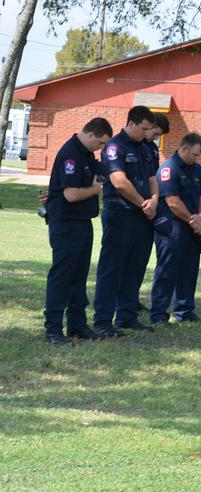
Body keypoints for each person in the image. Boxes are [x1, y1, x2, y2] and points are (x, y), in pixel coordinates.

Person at [42, 117, 113, 344]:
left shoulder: (85, 153)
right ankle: (53, 329)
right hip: (66, 223)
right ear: (91, 134)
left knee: (79, 275)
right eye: (100, 143)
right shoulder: (71, 154)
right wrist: (95, 189)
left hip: (81, 222)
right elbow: (71, 194)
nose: (100, 148)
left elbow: (100, 170)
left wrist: (103, 176)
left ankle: (77, 325)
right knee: (62, 276)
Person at [92, 105, 159, 337]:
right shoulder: (114, 147)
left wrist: (155, 200)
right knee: (112, 268)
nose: (146, 133)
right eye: (143, 128)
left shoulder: (146, 148)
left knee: (135, 267)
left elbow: (153, 178)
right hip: (121, 214)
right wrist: (144, 203)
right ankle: (102, 320)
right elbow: (119, 182)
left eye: (149, 129)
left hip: (143, 216)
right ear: (131, 123)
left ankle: (127, 316)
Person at [150, 133, 201, 324]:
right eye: (194, 154)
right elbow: (172, 201)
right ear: (183, 149)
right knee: (167, 270)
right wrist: (193, 220)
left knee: (189, 269)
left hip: (192, 225)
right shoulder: (169, 169)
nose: (197, 158)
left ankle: (185, 310)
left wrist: (200, 215)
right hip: (172, 226)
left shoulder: (197, 169)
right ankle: (159, 313)